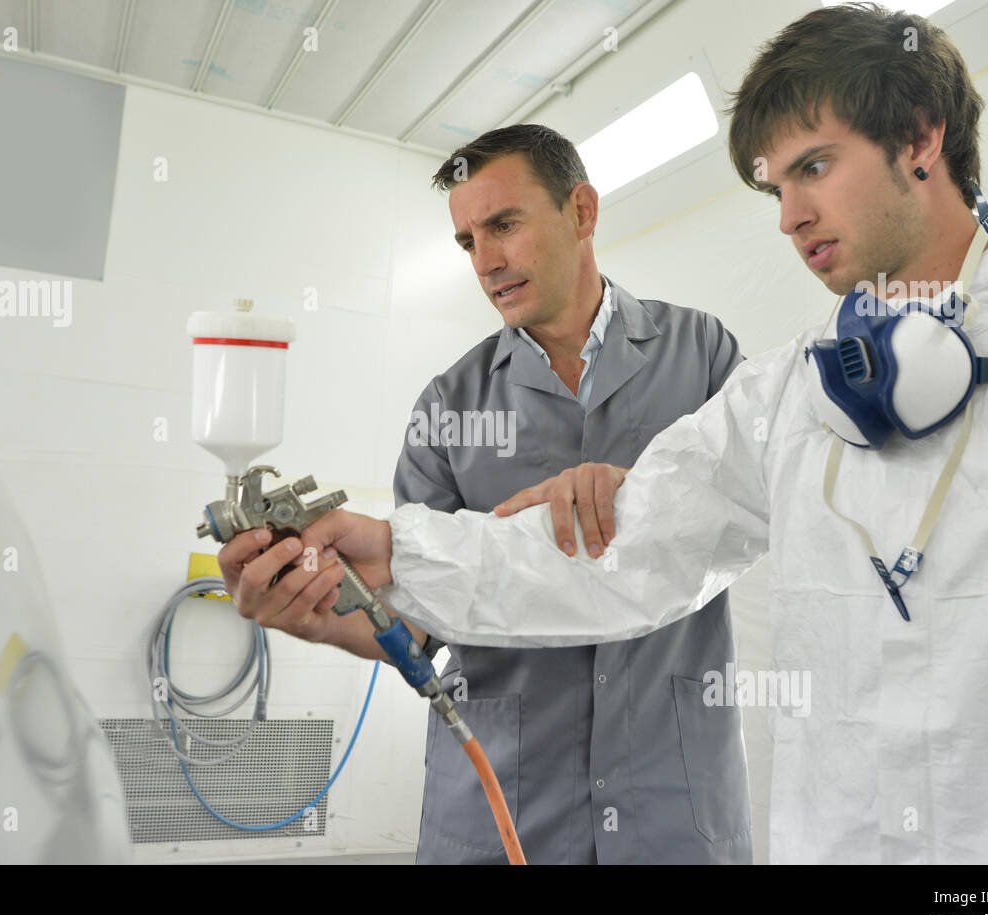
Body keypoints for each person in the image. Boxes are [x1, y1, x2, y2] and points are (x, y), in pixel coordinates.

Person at [297, 3, 988, 863]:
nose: (790, 216)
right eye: (776, 187)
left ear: (918, 139)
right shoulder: (792, 395)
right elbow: (622, 551)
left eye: (816, 166)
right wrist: (396, 554)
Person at [217, 125, 752, 863]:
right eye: (468, 241)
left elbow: (751, 507)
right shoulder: (449, 406)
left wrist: (632, 493)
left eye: (504, 224)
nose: (487, 261)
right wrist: (317, 617)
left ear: (582, 213)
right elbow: (417, 624)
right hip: (507, 800)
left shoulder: (703, 354)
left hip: (673, 796)